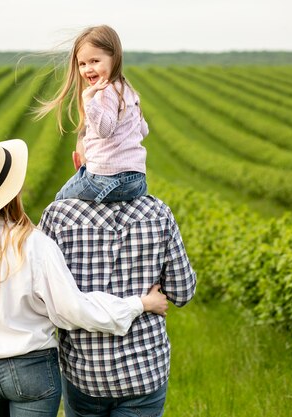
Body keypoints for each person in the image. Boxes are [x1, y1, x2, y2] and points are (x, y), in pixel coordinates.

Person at [0, 138, 169, 417]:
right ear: (15, 188)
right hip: (30, 369)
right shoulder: (34, 245)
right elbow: (73, 310)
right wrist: (140, 304)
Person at [38, 145, 197, 416]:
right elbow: (182, 292)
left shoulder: (58, 216)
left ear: (78, 161)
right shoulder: (159, 213)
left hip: (85, 373)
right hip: (144, 372)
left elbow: (42, 296)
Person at [35, 24, 149, 204]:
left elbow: (105, 130)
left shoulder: (105, 92)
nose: (87, 69)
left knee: (60, 200)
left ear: (115, 58)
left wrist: (89, 100)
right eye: (82, 64)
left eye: (95, 61)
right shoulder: (128, 91)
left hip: (107, 179)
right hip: (137, 180)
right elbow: (143, 131)